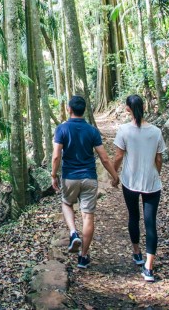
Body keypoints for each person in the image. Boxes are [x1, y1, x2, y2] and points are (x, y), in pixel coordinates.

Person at [51, 95, 118, 269]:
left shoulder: (61, 129)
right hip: (89, 177)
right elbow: (103, 157)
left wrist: (53, 175)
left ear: (69, 109)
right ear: (84, 111)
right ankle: (83, 256)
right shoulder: (92, 130)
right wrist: (114, 175)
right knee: (88, 216)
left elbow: (57, 155)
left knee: (66, 203)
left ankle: (73, 233)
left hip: (70, 177)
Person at [109, 94, 167, 283]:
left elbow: (118, 156)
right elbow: (159, 159)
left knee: (134, 216)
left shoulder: (124, 130)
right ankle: (148, 268)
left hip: (130, 182)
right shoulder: (156, 131)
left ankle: (137, 253)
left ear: (128, 109)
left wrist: (114, 175)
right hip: (151, 183)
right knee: (151, 222)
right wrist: (155, 173)